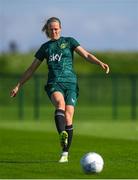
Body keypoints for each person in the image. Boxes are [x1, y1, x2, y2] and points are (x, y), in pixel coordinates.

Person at [10, 17, 109, 163]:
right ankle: (62, 132)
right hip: (54, 83)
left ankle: (64, 153)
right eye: (51, 29)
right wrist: (19, 85)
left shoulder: (69, 41)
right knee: (59, 103)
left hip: (71, 84)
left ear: (60, 29)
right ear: (47, 30)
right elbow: (31, 69)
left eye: (56, 28)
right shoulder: (45, 48)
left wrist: (99, 62)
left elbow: (86, 55)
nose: (54, 31)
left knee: (69, 118)